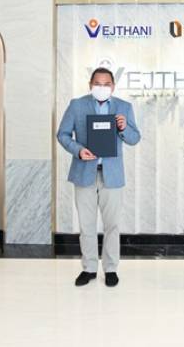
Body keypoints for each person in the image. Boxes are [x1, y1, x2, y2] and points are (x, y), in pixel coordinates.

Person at [57, 67, 141, 287]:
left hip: (112, 175)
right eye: (97, 83)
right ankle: (89, 268)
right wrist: (78, 150)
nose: (101, 87)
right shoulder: (77, 105)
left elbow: (134, 138)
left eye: (106, 84)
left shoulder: (124, 107)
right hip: (84, 172)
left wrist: (123, 128)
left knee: (112, 225)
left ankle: (111, 268)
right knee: (86, 225)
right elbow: (62, 134)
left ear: (113, 86)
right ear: (90, 85)